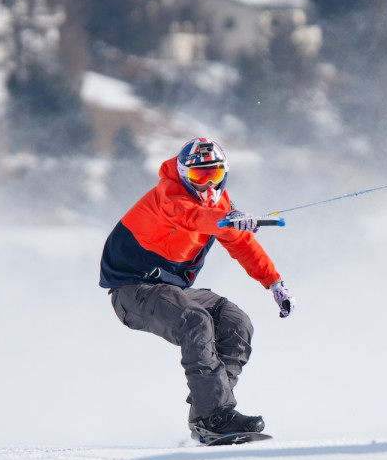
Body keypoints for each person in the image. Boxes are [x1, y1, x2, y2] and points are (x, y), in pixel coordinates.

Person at [100, 138, 295, 443]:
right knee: (194, 319)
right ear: (183, 174)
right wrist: (226, 219)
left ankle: (210, 412)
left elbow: (241, 243)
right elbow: (192, 217)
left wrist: (274, 283)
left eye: (213, 176)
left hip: (169, 289)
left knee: (234, 321)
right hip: (132, 289)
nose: (206, 185)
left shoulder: (218, 204)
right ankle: (212, 415)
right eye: (198, 177)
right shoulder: (170, 194)